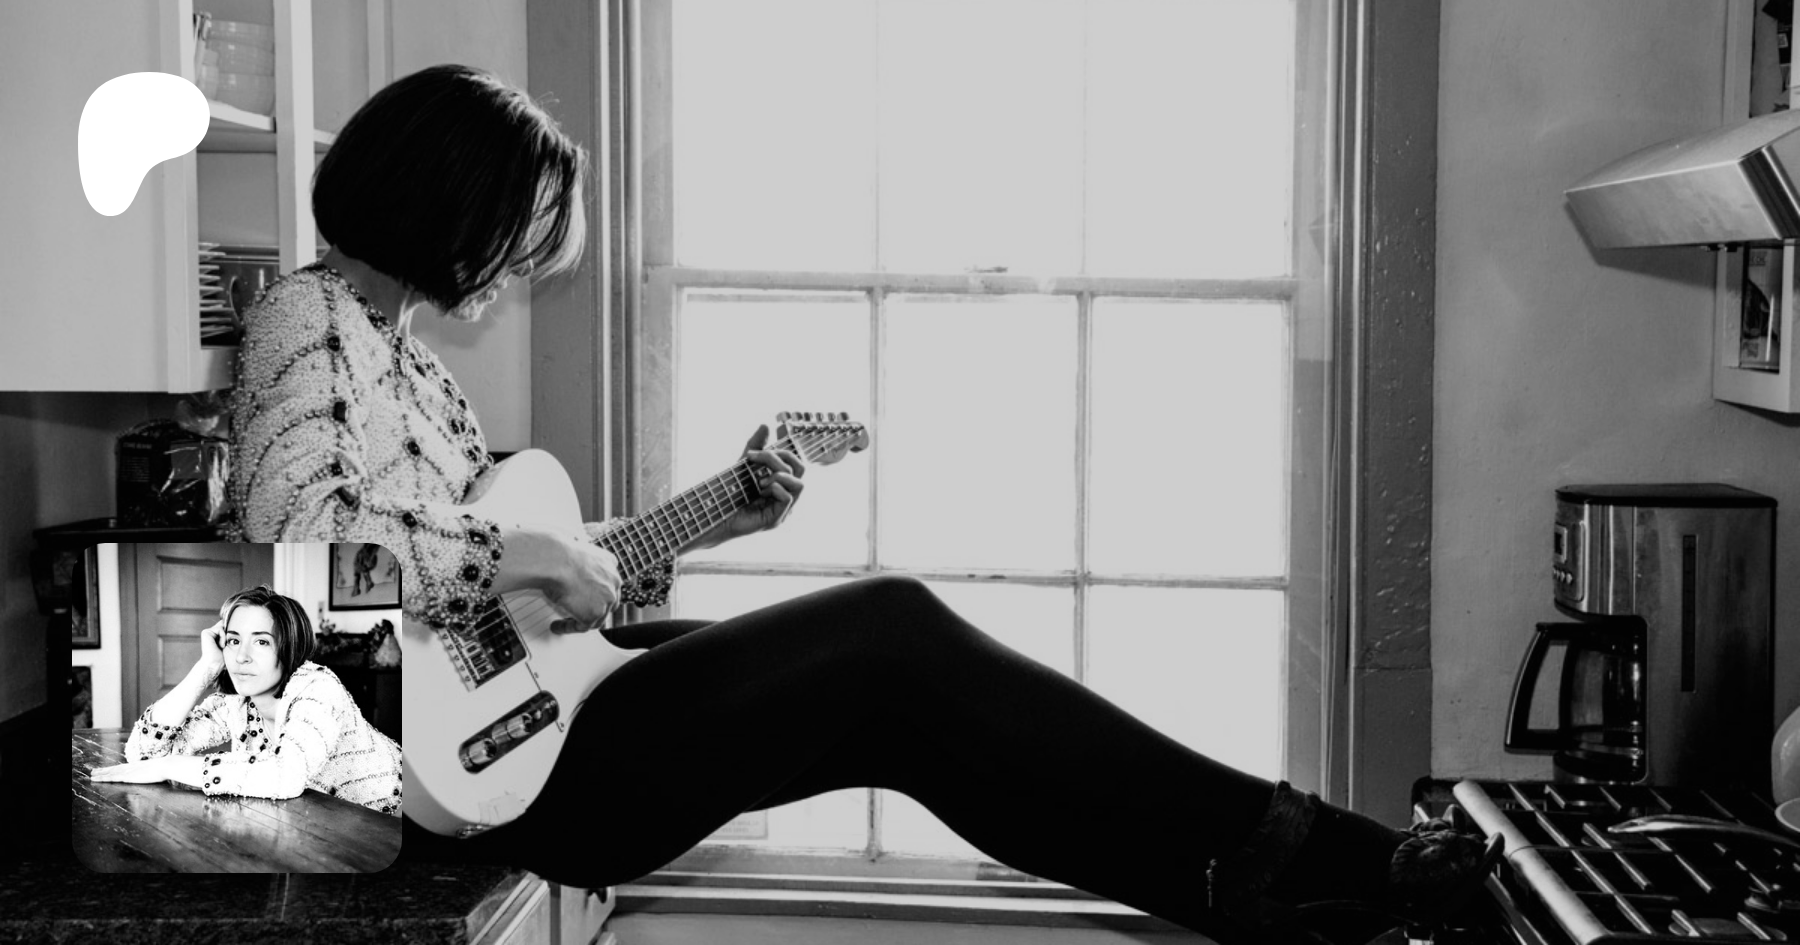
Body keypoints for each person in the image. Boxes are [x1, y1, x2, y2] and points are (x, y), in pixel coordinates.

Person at [224, 63, 1498, 944]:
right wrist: (534, 547)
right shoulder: (306, 317)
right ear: (448, 197)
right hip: (477, 778)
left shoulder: (409, 363)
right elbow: (300, 542)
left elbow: (517, 602)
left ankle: (1264, 901)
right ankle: (1334, 853)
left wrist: (708, 519)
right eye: (519, 230)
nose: (519, 265)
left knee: (913, 723)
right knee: (892, 627)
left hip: (530, 720)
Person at [91, 585, 403, 817]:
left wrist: (171, 766)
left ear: (290, 646)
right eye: (233, 640)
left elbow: (286, 775)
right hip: (319, 828)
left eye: (261, 641)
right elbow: (143, 753)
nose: (241, 656)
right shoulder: (236, 702)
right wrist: (206, 667)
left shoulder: (318, 687)